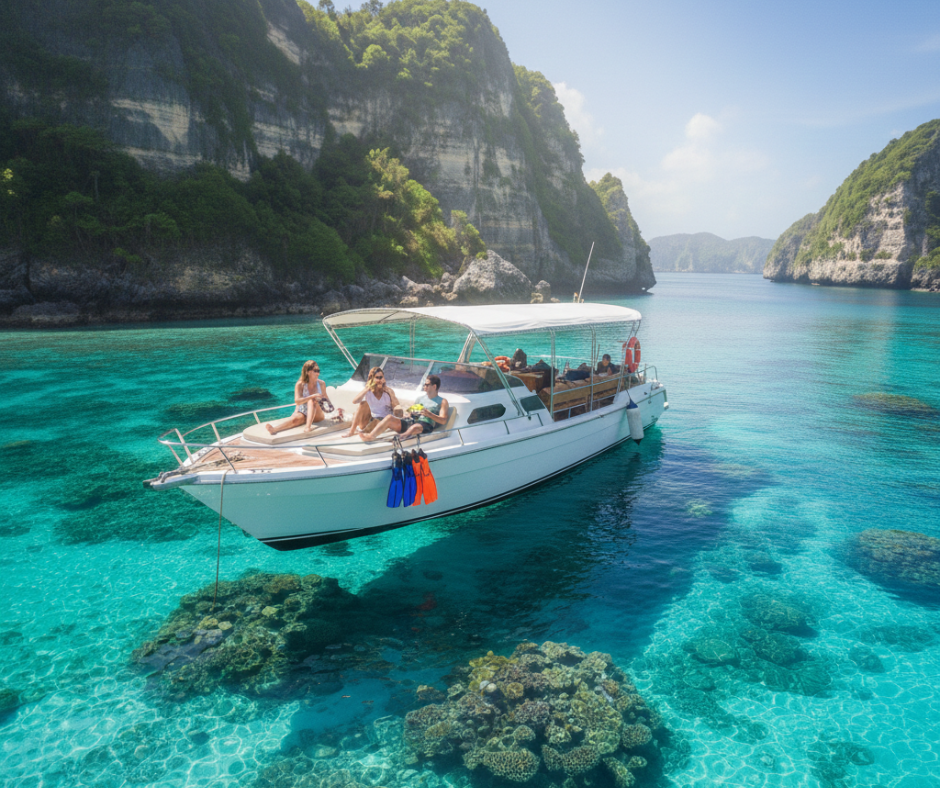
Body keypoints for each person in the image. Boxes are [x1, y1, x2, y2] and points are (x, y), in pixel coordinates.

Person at [360, 375, 449, 442]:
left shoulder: (442, 401)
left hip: (425, 425)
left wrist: (430, 414)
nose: (424, 386)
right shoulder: (420, 399)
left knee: (415, 427)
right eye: (424, 384)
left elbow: (443, 420)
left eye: (427, 384)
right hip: (412, 422)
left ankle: (401, 438)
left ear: (434, 387)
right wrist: (408, 414)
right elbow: (411, 412)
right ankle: (371, 436)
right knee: (389, 418)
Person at [265, 360, 332, 435]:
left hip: (317, 413)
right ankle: (274, 429)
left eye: (318, 370)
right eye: (315, 371)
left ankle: (307, 427)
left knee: (312, 400)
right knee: (295, 420)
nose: (317, 373)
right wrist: (296, 412)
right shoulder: (300, 384)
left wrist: (333, 411)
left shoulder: (322, 383)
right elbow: (297, 401)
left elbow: (326, 399)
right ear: (307, 372)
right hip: (303, 411)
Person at [342, 366, 400, 437]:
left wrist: (391, 394)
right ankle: (351, 432)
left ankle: (366, 433)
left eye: (381, 377)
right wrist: (367, 389)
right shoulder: (368, 392)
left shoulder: (388, 391)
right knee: (363, 404)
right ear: (372, 379)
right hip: (369, 420)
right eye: (377, 378)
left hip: (383, 421)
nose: (379, 380)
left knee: (378, 421)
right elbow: (355, 401)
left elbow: (396, 406)